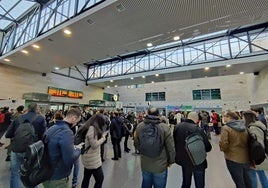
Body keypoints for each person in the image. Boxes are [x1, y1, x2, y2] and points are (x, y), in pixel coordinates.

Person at [5, 103, 46, 188]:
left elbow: (8, 134)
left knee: (15, 174)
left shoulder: (18, 118)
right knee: (32, 174)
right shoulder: (41, 119)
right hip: (32, 151)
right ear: (36, 109)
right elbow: (43, 137)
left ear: (27, 108)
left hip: (17, 149)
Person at [134, 107, 175, 188]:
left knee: (146, 183)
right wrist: (171, 161)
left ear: (147, 114)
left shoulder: (140, 126)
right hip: (160, 164)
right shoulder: (165, 127)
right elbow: (170, 147)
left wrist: (143, 151)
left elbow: (136, 143)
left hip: (145, 163)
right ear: (158, 115)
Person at [42, 108, 82, 188]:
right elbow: (69, 159)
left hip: (46, 173)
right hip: (58, 177)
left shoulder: (52, 128)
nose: (76, 124)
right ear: (73, 118)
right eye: (77, 121)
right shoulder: (67, 132)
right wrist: (78, 149)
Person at [173, 111, 212, 188]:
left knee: (186, 182)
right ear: (197, 119)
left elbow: (174, 142)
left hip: (184, 159)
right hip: (198, 160)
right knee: (199, 183)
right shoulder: (198, 130)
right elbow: (207, 147)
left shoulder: (177, 127)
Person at [219, 110, 252, 188]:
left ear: (229, 117)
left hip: (232, 157)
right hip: (246, 157)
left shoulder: (226, 128)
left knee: (238, 181)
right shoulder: (244, 126)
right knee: (247, 180)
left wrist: (223, 149)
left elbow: (224, 143)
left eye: (225, 116)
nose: (224, 118)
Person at [81, 114, 108, 188]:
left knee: (86, 178)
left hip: (87, 157)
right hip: (92, 160)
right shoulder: (92, 129)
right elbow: (94, 145)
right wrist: (103, 138)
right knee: (100, 179)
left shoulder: (87, 126)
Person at [242, 111, 268, 188]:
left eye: (243, 117)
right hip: (260, 155)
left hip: (256, 156)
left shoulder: (253, 128)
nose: (242, 119)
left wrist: (253, 158)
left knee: (253, 176)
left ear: (247, 118)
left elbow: (257, 144)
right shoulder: (258, 125)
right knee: (261, 174)